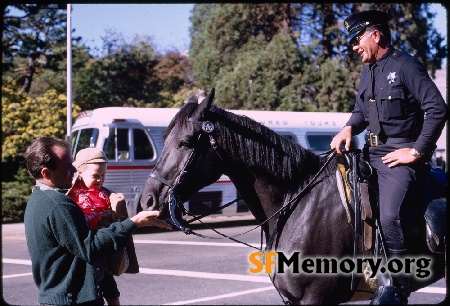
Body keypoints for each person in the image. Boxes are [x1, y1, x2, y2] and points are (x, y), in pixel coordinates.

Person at [330, 10, 448, 305]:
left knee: (388, 214)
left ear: (376, 35)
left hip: (400, 156)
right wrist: (347, 128)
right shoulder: (367, 71)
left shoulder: (406, 66)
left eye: (357, 39)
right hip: (371, 151)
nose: (354, 46)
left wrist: (417, 151)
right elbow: (361, 112)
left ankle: (397, 284)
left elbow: (437, 108)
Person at [23, 136, 172, 306]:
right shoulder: (58, 203)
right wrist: (134, 222)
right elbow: (90, 247)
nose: (73, 170)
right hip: (73, 300)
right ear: (46, 173)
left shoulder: (37, 199)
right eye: (67, 167)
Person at [67, 148, 133, 305]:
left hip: (104, 251)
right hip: (86, 254)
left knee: (111, 289)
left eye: (103, 175)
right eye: (95, 176)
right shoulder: (71, 196)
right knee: (90, 293)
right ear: (79, 172)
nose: (100, 180)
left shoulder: (105, 194)